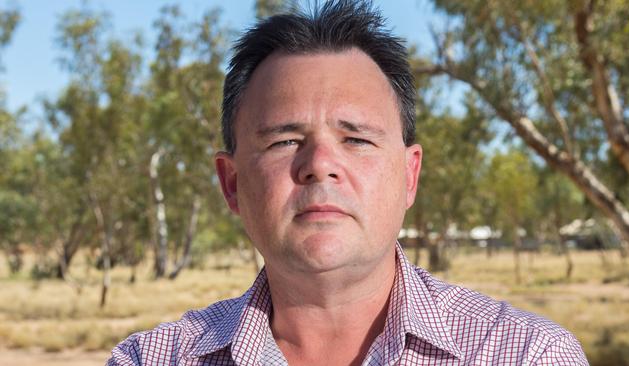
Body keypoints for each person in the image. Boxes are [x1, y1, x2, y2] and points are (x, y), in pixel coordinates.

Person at [107, 1, 589, 365]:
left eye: (355, 138)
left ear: (409, 175)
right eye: (284, 141)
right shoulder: (151, 359)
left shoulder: (525, 354)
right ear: (231, 183)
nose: (320, 164)